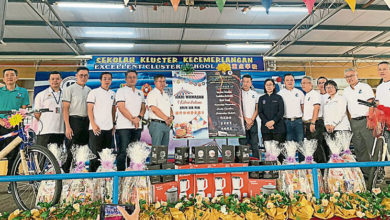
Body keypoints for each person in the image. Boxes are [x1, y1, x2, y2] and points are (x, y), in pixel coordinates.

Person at [343, 68, 376, 180]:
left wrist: (370, 119)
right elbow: (347, 109)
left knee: (371, 147)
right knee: (359, 148)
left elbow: (371, 103)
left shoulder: (365, 87)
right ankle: (366, 174)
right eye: (347, 77)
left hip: (366, 120)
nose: (349, 78)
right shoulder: (346, 91)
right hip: (354, 122)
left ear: (357, 75)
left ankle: (377, 174)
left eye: (351, 75)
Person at [0, 69, 29, 193]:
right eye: (7, 75)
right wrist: (1, 122)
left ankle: (11, 183)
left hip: (15, 125)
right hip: (0, 124)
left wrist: (13, 121)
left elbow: (24, 109)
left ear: (17, 78)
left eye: (12, 75)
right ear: (3, 78)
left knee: (13, 155)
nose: (10, 77)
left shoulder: (23, 92)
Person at [62, 67, 91, 173]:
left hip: (86, 122)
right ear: (76, 76)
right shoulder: (69, 89)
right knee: (71, 149)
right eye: (81, 75)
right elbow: (65, 108)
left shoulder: (89, 90)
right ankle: (65, 173)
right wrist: (68, 127)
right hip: (73, 121)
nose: (83, 78)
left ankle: (79, 172)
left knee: (82, 149)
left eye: (85, 75)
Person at [115, 70, 146, 171]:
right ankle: (120, 176)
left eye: (134, 77)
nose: (132, 79)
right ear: (126, 79)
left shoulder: (140, 93)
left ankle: (131, 175)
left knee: (134, 153)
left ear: (136, 79)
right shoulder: (121, 91)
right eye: (130, 77)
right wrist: (132, 119)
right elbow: (121, 107)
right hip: (124, 127)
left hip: (137, 127)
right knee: (123, 152)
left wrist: (139, 118)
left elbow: (143, 108)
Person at [87, 72, 116, 172]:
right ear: (101, 80)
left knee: (106, 156)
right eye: (105, 78)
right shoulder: (94, 92)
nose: (107, 80)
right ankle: (91, 180)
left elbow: (113, 110)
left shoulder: (112, 94)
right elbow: (89, 109)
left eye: (109, 79)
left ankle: (103, 181)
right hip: (96, 129)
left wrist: (113, 124)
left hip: (108, 129)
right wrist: (93, 124)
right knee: (95, 156)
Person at [34, 71, 65, 148]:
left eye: (57, 79)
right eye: (53, 79)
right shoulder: (41, 95)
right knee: (41, 157)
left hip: (60, 131)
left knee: (57, 156)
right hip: (45, 130)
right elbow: (37, 114)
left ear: (61, 80)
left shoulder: (66, 94)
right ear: (49, 81)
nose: (55, 81)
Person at [301, 76, 327, 163]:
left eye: (305, 83)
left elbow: (316, 108)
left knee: (317, 147)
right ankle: (316, 171)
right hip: (308, 123)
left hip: (315, 123)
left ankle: (323, 169)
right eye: (302, 83)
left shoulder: (315, 94)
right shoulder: (307, 95)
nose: (303, 85)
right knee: (312, 148)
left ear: (311, 84)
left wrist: (313, 123)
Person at [147, 75, 173, 146]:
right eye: (160, 81)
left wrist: (171, 116)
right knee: (157, 149)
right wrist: (166, 118)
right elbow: (154, 109)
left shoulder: (166, 95)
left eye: (164, 81)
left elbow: (169, 108)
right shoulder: (152, 94)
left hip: (166, 124)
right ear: (155, 83)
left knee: (164, 150)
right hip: (157, 124)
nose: (162, 83)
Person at [278, 74, 304, 143]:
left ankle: (301, 154)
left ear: (294, 81)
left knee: (300, 142)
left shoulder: (299, 92)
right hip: (286, 122)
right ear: (284, 82)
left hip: (298, 121)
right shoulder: (280, 94)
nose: (290, 82)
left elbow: (303, 107)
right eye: (287, 80)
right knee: (288, 142)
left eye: (291, 80)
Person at [258, 79, 285, 144]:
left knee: (278, 150)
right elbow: (260, 112)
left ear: (274, 86)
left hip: (278, 127)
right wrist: (267, 123)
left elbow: (281, 112)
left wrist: (273, 121)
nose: (269, 86)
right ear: (264, 86)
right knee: (268, 149)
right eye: (267, 85)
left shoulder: (279, 97)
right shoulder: (261, 98)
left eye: (270, 85)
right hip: (265, 128)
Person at [239, 75, 260, 159]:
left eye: (247, 82)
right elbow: (238, 108)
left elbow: (257, 109)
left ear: (251, 83)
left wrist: (251, 120)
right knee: (243, 145)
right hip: (241, 122)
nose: (245, 84)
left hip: (253, 122)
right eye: (244, 81)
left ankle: (256, 166)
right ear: (241, 82)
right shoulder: (238, 93)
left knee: (255, 145)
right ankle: (243, 165)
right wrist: (245, 119)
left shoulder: (255, 94)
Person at [377, 61, 390, 153]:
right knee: (388, 146)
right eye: (380, 69)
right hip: (384, 122)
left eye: (384, 69)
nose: (382, 71)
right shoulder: (379, 87)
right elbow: (378, 105)